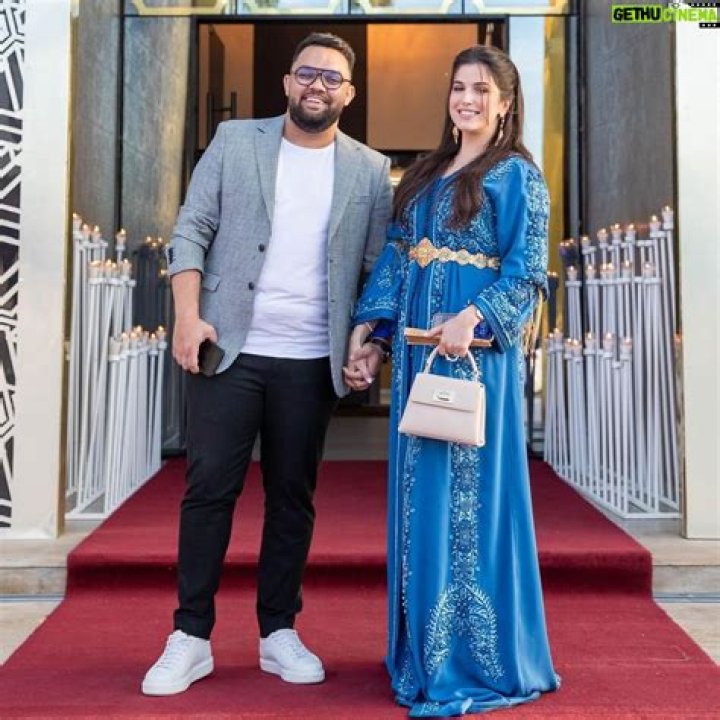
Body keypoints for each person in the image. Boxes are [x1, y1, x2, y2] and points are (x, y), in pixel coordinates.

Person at [142, 32, 392, 696]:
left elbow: (378, 272)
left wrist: (371, 344)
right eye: (307, 73)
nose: (317, 86)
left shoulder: (370, 169)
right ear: (286, 82)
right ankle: (190, 636)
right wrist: (188, 316)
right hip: (230, 348)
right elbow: (192, 228)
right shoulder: (235, 141)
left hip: (310, 358)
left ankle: (278, 631)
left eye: (332, 78)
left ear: (349, 93)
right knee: (208, 490)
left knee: (292, 498)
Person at [344, 45, 560, 716]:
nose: (467, 99)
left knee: (468, 502)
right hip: (418, 358)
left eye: (481, 90)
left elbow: (527, 272)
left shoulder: (517, 176)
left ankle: (471, 659)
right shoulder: (425, 174)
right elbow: (396, 258)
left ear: (506, 103)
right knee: (419, 497)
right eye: (459, 87)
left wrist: (475, 315)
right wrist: (371, 333)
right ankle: (420, 653)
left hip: (476, 359)